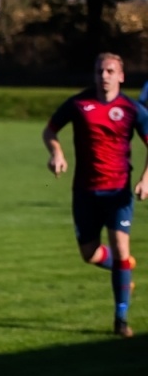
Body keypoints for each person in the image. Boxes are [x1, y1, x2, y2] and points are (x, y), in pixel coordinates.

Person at [44, 52, 148, 337]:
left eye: (110, 71)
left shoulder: (132, 109)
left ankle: (121, 320)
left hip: (118, 192)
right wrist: (57, 153)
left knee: (120, 247)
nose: (104, 76)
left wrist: (145, 180)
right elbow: (50, 130)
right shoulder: (79, 104)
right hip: (85, 192)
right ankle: (123, 271)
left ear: (121, 76)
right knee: (89, 254)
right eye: (100, 71)